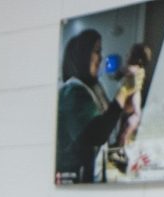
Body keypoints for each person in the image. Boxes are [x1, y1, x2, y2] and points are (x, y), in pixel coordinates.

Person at [57, 29, 143, 183]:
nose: (101, 57)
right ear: (83, 56)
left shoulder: (95, 89)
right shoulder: (71, 92)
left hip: (95, 180)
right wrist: (123, 92)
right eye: (97, 51)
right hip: (77, 182)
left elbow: (109, 129)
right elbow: (97, 135)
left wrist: (125, 171)